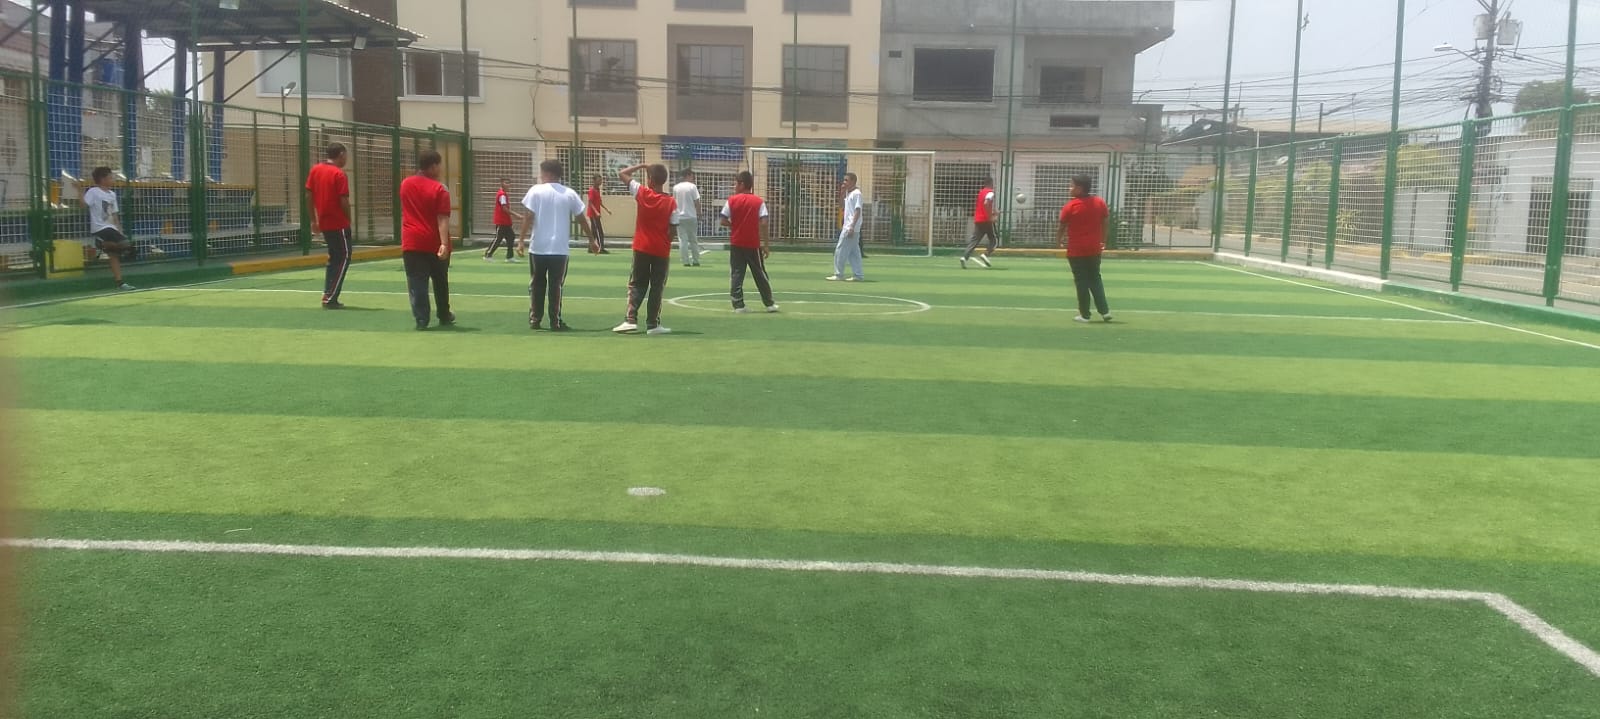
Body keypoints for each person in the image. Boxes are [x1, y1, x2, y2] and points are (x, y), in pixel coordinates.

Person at [520, 160, 593, 331]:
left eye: (542, 173)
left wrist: (521, 240)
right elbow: (581, 218)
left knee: (536, 284)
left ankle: (535, 319)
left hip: (538, 247)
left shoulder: (535, 191)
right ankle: (555, 321)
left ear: (548, 174)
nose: (540, 176)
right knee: (556, 285)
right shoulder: (569, 193)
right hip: (559, 249)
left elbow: (528, 216)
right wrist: (592, 239)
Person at [613, 163, 676, 335]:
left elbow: (622, 173)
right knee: (657, 287)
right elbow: (673, 229)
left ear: (650, 180)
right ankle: (653, 324)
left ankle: (630, 319)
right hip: (661, 250)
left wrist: (641, 165)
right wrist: (665, 242)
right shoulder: (671, 202)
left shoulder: (642, 193)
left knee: (636, 284)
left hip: (642, 246)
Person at [400, 150, 455, 331]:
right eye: (439, 165)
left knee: (416, 282)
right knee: (440, 280)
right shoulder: (440, 189)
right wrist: (444, 243)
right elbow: (442, 218)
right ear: (433, 166)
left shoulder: (405, 184)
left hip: (412, 241)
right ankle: (444, 314)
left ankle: (421, 319)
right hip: (433, 241)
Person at [1057, 174, 1113, 323]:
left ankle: (1085, 314)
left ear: (1080, 188)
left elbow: (1062, 226)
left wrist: (1058, 240)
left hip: (1076, 250)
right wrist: (1103, 240)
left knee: (1081, 281)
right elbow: (1105, 221)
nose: (1069, 188)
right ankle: (1105, 311)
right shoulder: (1099, 202)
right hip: (1094, 248)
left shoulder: (1070, 206)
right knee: (1095, 279)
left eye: (1072, 185)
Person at [721, 170, 778, 314]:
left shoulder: (731, 200)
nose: (734, 186)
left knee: (736, 273)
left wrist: (734, 226)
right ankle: (769, 303)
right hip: (752, 243)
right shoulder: (759, 202)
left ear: (742, 184)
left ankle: (738, 305)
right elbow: (764, 223)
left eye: (735, 183)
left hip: (736, 242)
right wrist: (766, 244)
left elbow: (723, 220)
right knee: (759, 273)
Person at [305, 143, 352, 308]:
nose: (346, 159)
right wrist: (349, 219)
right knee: (344, 257)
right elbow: (343, 200)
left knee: (334, 258)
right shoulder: (339, 174)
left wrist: (313, 220)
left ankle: (328, 293)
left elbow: (308, 195)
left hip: (324, 222)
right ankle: (330, 296)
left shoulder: (315, 170)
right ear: (341, 154)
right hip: (339, 222)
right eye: (346, 156)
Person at [84, 166, 135, 291]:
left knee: (114, 255)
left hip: (111, 228)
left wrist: (119, 229)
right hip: (101, 227)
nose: (113, 180)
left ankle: (120, 282)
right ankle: (102, 243)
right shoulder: (93, 191)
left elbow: (114, 214)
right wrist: (79, 191)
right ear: (103, 179)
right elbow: (84, 204)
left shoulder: (112, 194)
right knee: (127, 246)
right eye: (110, 178)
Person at [826, 172, 864, 282]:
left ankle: (838, 274)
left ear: (853, 181)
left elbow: (857, 210)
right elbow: (841, 205)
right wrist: (842, 193)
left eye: (846, 180)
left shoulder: (857, 194)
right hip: (850, 227)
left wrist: (852, 226)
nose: (844, 182)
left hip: (850, 227)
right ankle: (858, 275)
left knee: (840, 250)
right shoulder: (848, 193)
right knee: (854, 253)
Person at [961, 175, 997, 269]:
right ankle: (986, 254)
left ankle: (964, 257)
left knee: (974, 240)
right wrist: (991, 217)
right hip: (986, 220)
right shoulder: (990, 193)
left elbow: (983, 206)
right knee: (994, 240)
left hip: (978, 219)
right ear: (991, 183)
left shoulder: (981, 192)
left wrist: (993, 212)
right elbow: (986, 203)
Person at [671, 169, 702, 267]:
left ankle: (685, 261)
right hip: (691, 216)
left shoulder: (676, 187)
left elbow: (674, 202)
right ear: (688, 175)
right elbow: (697, 202)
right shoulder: (692, 187)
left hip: (680, 217)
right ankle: (696, 260)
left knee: (682, 240)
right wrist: (699, 213)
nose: (693, 178)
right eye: (692, 176)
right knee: (693, 239)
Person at [484, 177, 519, 263]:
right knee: (498, 238)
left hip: (505, 221)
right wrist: (516, 214)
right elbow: (504, 208)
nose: (508, 185)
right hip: (502, 221)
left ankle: (509, 256)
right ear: (502, 184)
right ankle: (488, 255)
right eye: (506, 183)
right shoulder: (502, 195)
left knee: (511, 237)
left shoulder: (503, 194)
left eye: (509, 183)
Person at [586, 174, 612, 254]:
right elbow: (590, 202)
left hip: (596, 214)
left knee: (594, 232)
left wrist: (606, 209)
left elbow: (599, 202)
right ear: (594, 181)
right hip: (593, 215)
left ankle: (591, 248)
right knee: (599, 231)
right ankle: (601, 248)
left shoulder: (597, 190)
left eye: (601, 180)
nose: (600, 182)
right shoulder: (592, 190)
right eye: (599, 180)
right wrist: (596, 212)